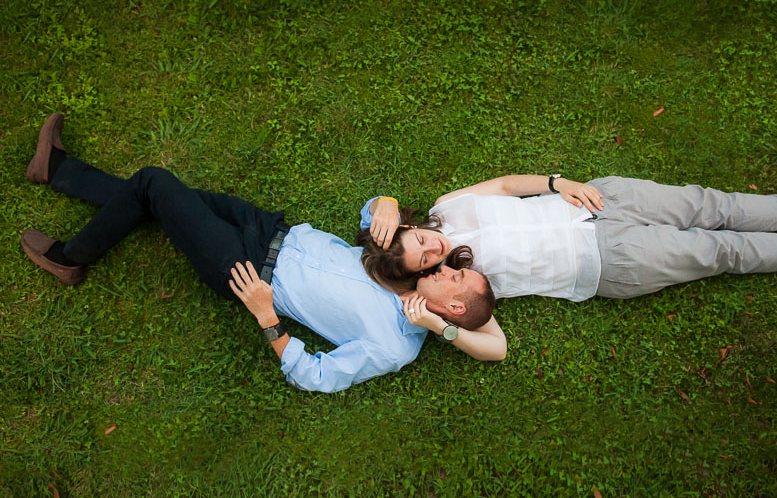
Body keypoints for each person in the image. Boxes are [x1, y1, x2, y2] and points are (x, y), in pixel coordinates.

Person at [19, 113, 505, 393]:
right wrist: (388, 204)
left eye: (455, 280)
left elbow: (317, 376)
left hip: (243, 267)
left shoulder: (396, 345)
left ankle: (69, 256)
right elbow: (370, 217)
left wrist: (267, 317)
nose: (445, 269)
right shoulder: (409, 269)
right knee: (158, 203)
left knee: (154, 183)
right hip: (266, 227)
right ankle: (56, 169)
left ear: (455, 308)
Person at [357, 172, 777, 303]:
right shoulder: (449, 283)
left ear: (409, 225)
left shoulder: (442, 208)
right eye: (421, 261)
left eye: (419, 240)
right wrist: (406, 285)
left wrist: (555, 181)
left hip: (595, 199)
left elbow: (501, 184)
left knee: (709, 204)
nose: (432, 251)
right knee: (718, 250)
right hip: (607, 260)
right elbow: (411, 306)